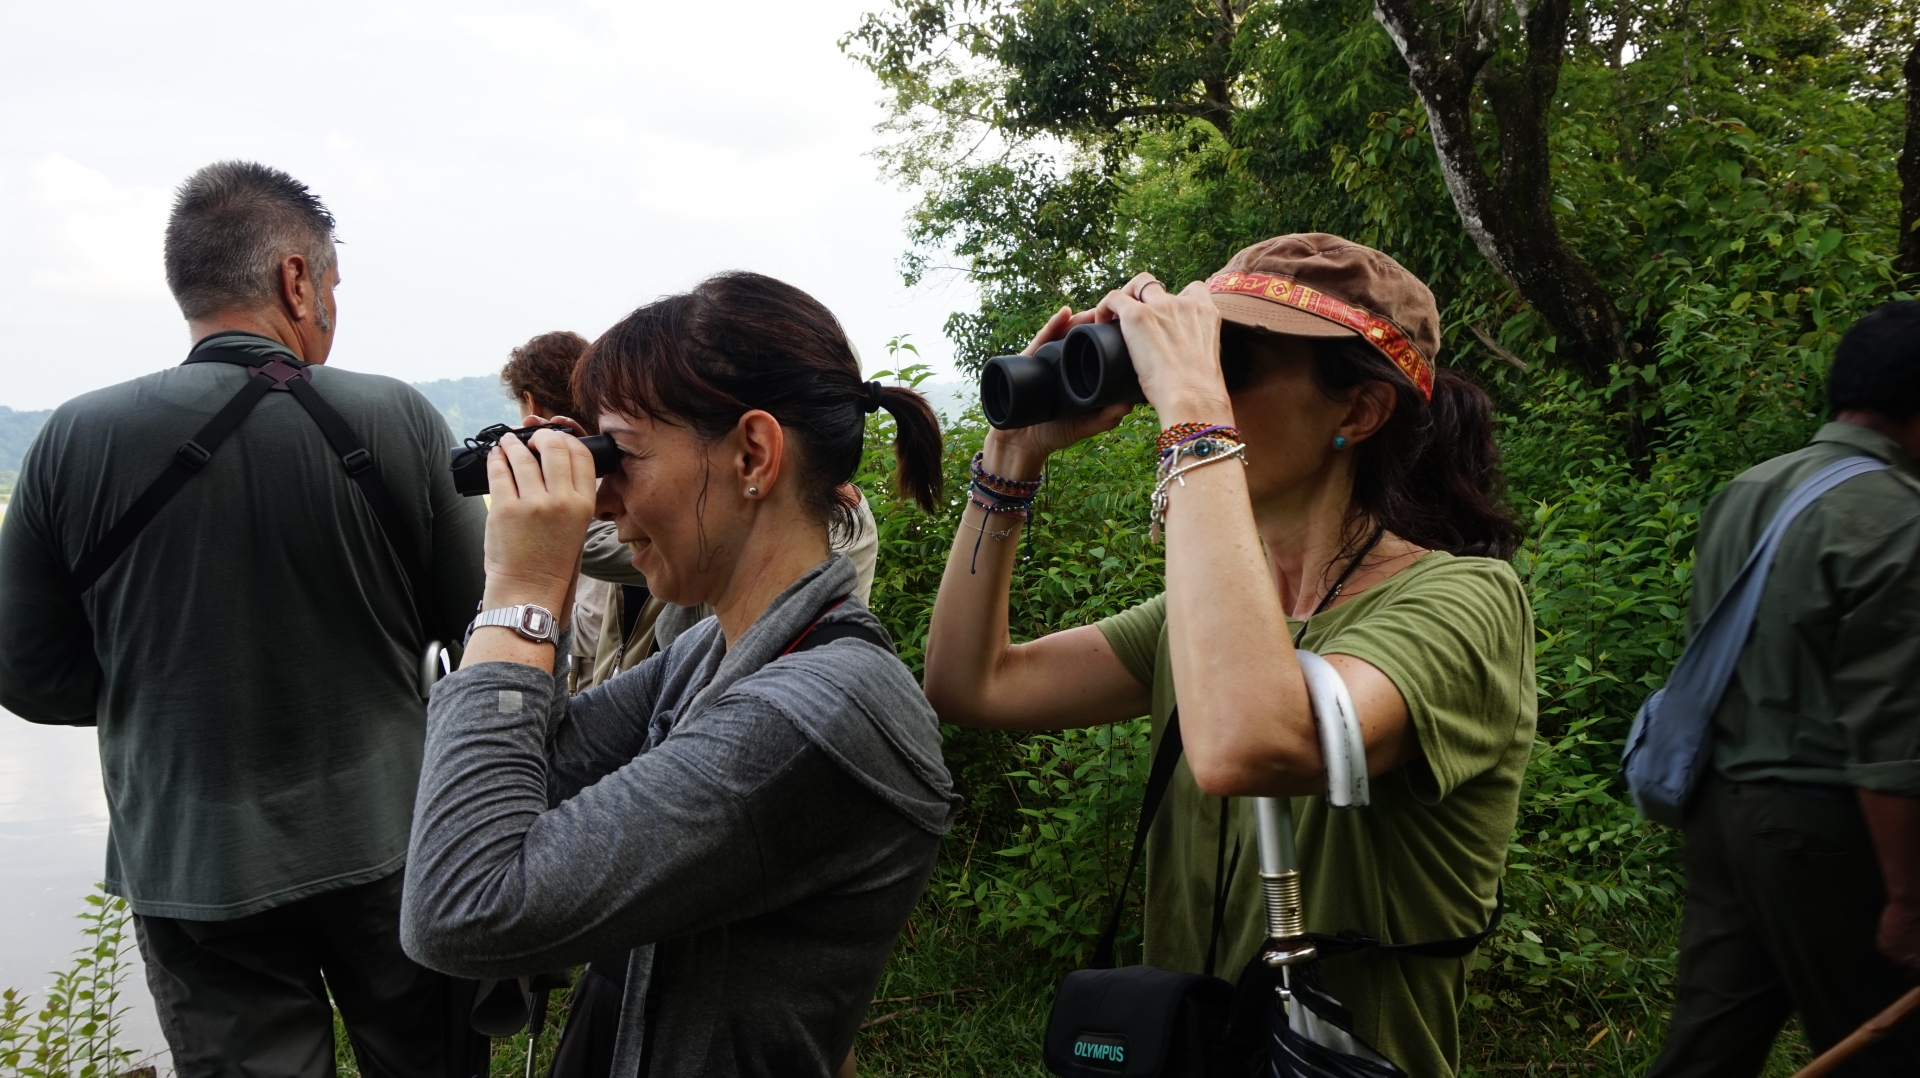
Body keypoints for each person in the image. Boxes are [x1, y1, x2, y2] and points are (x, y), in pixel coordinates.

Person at [925, 234, 1535, 1077]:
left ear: (1358, 413)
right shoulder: (1205, 619)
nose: (1197, 380)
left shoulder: (1464, 603)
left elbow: (1251, 740)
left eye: (1231, 360)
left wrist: (1193, 414)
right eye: (1199, 354)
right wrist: (1010, 460)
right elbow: (973, 683)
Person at [398, 271, 959, 1078]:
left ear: (753, 455)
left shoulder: (816, 712)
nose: (605, 500)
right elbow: (531, 775)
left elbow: (461, 908)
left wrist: (516, 596)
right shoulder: (717, 651)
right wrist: (544, 599)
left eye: (618, 455)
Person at [0, 162, 489, 1076]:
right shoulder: (397, 419)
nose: (334, 310)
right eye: (334, 285)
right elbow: (477, 625)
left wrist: (158, 690)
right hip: (389, 840)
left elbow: (27, 674)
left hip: (190, 858)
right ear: (295, 280)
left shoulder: (71, 439)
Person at [1644, 302, 1920, 1078]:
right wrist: (1907, 899)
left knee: (1708, 1045)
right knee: (1882, 1049)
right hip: (1819, 824)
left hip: (1721, 810)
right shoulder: (1898, 521)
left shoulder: (1753, 486)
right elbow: (1892, 736)